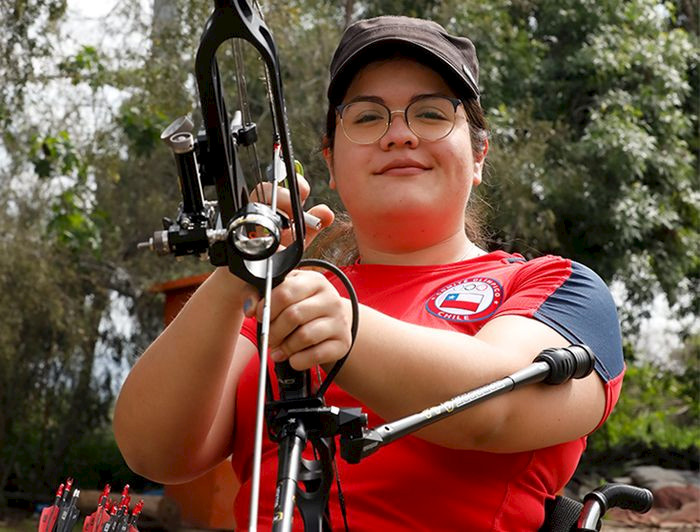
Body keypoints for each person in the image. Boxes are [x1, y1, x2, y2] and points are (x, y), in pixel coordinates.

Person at [113, 15, 625, 531]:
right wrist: (240, 270)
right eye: (366, 117)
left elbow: (493, 410)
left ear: (478, 155)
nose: (399, 134)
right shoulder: (284, 299)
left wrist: (348, 329)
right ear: (331, 163)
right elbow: (154, 450)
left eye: (429, 114)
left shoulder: (556, 287)